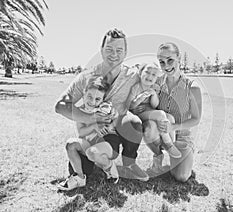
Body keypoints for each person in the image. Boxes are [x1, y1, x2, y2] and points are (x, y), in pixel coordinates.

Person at [55, 28, 149, 183]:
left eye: (119, 50)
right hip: (91, 133)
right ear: (101, 50)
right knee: (83, 171)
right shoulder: (86, 77)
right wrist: (91, 118)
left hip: (116, 128)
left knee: (134, 123)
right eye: (109, 49)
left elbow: (156, 81)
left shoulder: (133, 75)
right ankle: (97, 161)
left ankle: (130, 163)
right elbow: (60, 105)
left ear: (126, 52)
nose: (114, 54)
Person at [138, 42, 202, 181]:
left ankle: (185, 155)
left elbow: (196, 119)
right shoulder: (156, 82)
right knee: (149, 126)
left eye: (170, 60)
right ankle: (158, 156)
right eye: (162, 62)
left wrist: (173, 127)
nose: (166, 66)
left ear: (178, 57)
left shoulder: (192, 87)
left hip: (181, 136)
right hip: (160, 132)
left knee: (182, 176)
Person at [58, 77, 119, 190]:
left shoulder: (105, 109)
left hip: (107, 142)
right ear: (84, 93)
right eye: (89, 97)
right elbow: (81, 133)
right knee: (70, 144)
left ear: (102, 100)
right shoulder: (79, 111)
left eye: (97, 99)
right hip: (90, 143)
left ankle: (109, 166)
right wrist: (94, 126)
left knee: (92, 152)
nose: (92, 102)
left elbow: (115, 119)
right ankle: (80, 178)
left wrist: (110, 125)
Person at [127, 62, 182, 158]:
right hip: (140, 114)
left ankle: (172, 142)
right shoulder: (136, 87)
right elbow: (130, 106)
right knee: (161, 114)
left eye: (153, 75)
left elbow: (154, 104)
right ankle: (168, 143)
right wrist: (139, 99)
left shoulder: (154, 88)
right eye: (147, 72)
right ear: (140, 73)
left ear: (156, 78)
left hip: (151, 112)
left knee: (170, 118)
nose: (150, 76)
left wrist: (153, 94)